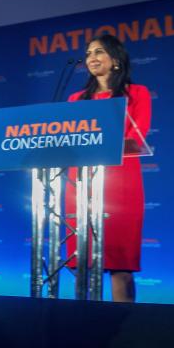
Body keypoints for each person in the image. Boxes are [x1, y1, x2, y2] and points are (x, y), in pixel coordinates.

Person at [65, 33, 151, 303]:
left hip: (121, 184)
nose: (92, 58)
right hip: (81, 185)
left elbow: (137, 137)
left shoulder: (136, 94)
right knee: (82, 265)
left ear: (115, 60)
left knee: (120, 267)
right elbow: (68, 140)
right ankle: (85, 328)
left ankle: (124, 329)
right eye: (89, 53)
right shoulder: (76, 100)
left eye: (99, 52)